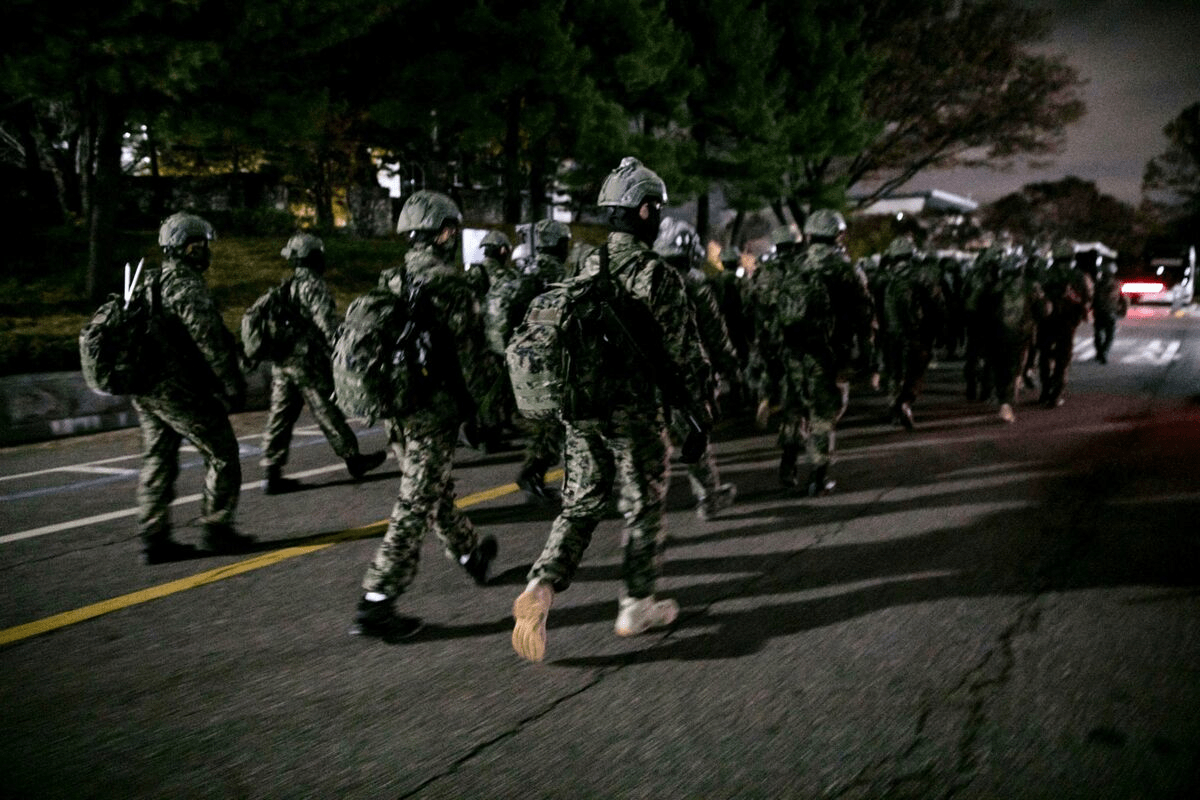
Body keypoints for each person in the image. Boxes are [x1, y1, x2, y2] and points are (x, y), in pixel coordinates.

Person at [511, 157, 712, 662]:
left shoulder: (584, 266)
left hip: (583, 411)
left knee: (579, 506)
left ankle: (541, 586)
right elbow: (686, 354)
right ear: (644, 211)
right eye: (657, 209)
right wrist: (700, 414)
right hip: (635, 413)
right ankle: (636, 603)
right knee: (643, 505)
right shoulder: (657, 274)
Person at [352, 190, 498, 639]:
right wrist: (484, 411)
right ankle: (378, 599)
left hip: (400, 407)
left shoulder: (394, 279)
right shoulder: (449, 284)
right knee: (416, 499)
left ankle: (470, 552)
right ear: (446, 232)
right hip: (433, 412)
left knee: (430, 487)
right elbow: (472, 358)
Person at [134, 212, 254, 564]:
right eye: (199, 244)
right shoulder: (185, 284)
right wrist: (232, 383)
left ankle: (153, 538)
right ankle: (217, 529)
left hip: (146, 388)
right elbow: (209, 339)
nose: (205, 251)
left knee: (158, 457)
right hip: (178, 390)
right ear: (184, 248)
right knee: (223, 453)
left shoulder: (151, 282)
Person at [256, 233, 387, 495]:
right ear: (314, 258)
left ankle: (271, 472)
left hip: (283, 363)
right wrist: (344, 351)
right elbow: (327, 325)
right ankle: (353, 458)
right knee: (327, 410)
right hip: (306, 363)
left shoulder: (288, 285)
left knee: (280, 416)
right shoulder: (313, 286)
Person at [767, 209, 875, 496]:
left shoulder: (794, 264)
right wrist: (867, 355)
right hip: (828, 355)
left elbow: (776, 310)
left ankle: (787, 465)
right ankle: (818, 476)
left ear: (811, 233)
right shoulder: (846, 269)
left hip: (793, 351)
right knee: (823, 414)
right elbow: (864, 316)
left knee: (793, 409)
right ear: (838, 234)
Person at [654, 215, 739, 519]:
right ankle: (707, 496)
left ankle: (643, 509)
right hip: (687, 375)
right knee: (694, 436)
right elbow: (715, 334)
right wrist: (730, 366)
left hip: (646, 377)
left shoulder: (642, 279)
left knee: (649, 444)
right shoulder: (696, 284)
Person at [511, 219, 573, 501]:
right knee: (556, 424)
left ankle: (534, 472)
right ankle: (533, 474)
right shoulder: (559, 273)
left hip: (520, 356)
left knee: (542, 422)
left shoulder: (527, 270)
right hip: (551, 360)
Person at [879, 236, 946, 430]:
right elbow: (938, 306)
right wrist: (941, 331)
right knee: (916, 372)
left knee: (893, 371)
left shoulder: (883, 277)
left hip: (890, 333)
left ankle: (893, 406)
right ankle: (905, 402)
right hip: (918, 334)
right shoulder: (923, 276)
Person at [1035, 241, 1093, 407]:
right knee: (1062, 359)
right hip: (1067, 322)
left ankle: (1045, 390)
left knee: (1044, 356)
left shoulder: (1045, 274)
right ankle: (1056, 393)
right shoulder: (1079, 276)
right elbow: (1088, 298)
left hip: (1046, 321)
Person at [1091, 259, 1127, 363]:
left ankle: (1099, 353)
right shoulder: (1117, 284)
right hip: (1111, 311)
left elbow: (1093, 296)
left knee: (1098, 333)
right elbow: (1124, 299)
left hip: (1098, 311)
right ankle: (1104, 352)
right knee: (1110, 334)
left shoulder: (1097, 283)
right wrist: (1123, 310)